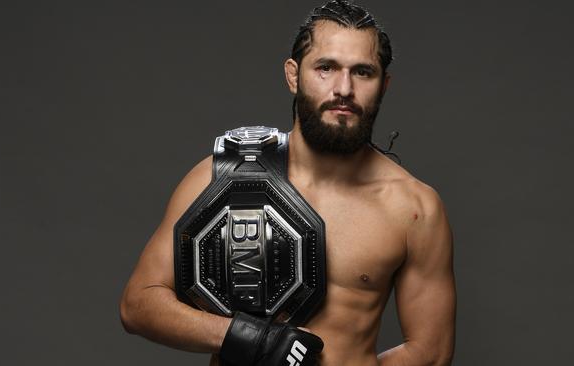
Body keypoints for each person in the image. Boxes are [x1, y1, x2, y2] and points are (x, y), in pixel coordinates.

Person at [120, 1, 456, 365]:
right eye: (326, 68)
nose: (343, 88)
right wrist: (247, 337)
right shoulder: (223, 178)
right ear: (293, 75)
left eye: (363, 72)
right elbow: (138, 304)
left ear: (384, 85)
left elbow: (431, 352)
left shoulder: (414, 209)